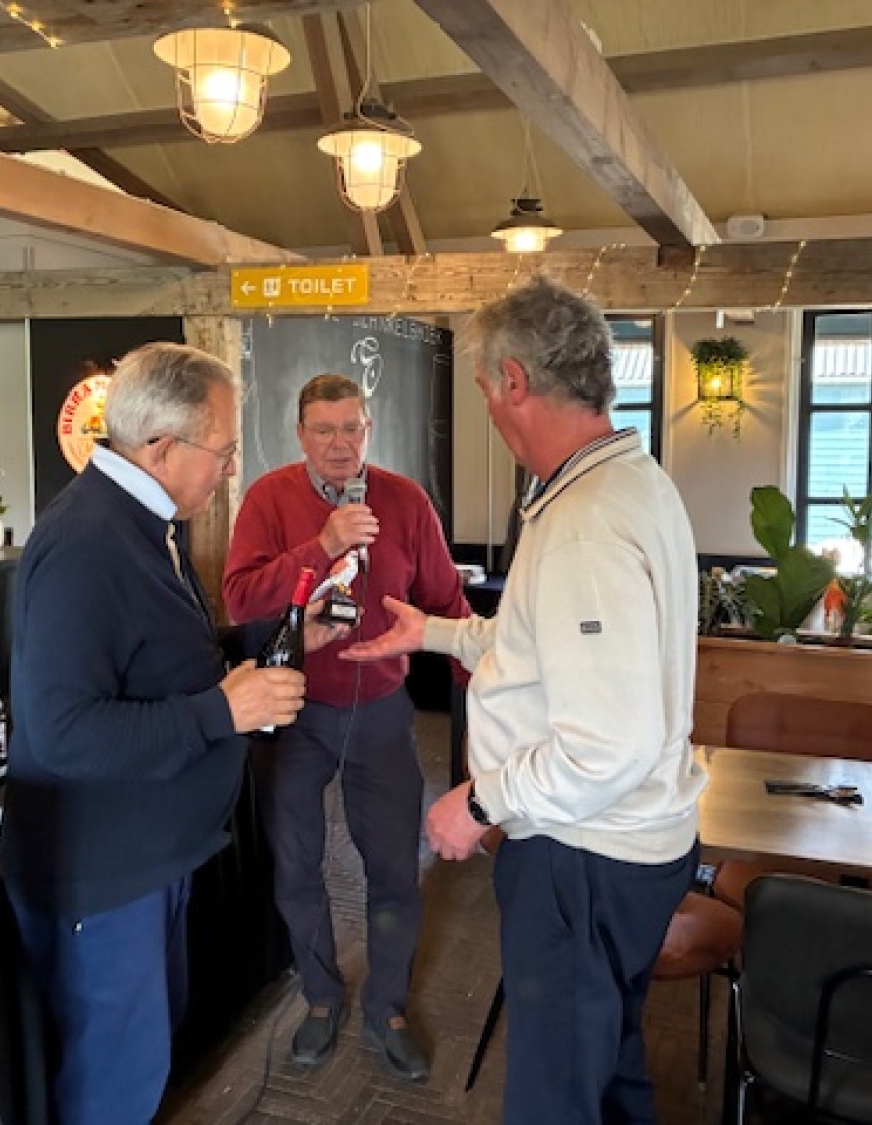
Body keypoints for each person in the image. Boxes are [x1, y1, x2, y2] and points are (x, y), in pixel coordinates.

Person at [343, 277, 707, 1124]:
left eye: (482, 387)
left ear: (514, 381)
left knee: (555, 1094)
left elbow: (608, 746)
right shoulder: (623, 480)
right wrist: (436, 632)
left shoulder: (585, 523)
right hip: (624, 847)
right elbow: (541, 651)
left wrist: (479, 801)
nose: (487, 407)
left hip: (585, 854)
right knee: (607, 1065)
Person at [0, 342, 342, 1125]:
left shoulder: (146, 521)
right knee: (111, 1088)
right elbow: (62, 731)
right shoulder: (87, 542)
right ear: (160, 447)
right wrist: (223, 711)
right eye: (223, 450)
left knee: (140, 1066)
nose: (230, 469)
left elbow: (164, 660)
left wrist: (276, 641)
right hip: (101, 874)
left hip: (150, 859)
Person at [223, 373, 470, 1081]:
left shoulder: (406, 500)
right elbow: (240, 601)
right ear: (301, 434)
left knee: (393, 868)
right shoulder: (268, 498)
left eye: (352, 428)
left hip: (383, 712)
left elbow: (448, 603)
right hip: (293, 709)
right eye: (324, 430)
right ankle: (322, 995)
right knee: (296, 864)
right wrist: (320, 545)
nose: (340, 444)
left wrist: (484, 705)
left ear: (369, 430)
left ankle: (387, 1007)